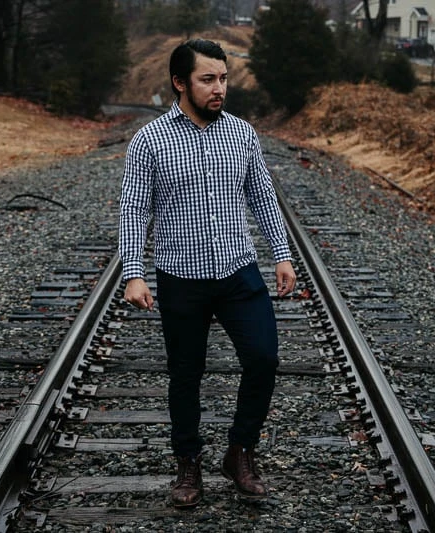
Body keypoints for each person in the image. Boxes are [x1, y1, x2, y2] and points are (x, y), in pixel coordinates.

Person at [118, 38, 297, 508]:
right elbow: (134, 211)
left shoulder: (241, 133)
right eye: (208, 79)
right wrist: (132, 273)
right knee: (186, 374)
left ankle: (239, 451)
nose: (220, 88)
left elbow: (262, 196)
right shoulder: (150, 141)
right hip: (181, 279)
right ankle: (188, 464)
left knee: (263, 359)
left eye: (223, 79)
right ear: (180, 82)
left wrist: (281, 254)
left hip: (239, 273)